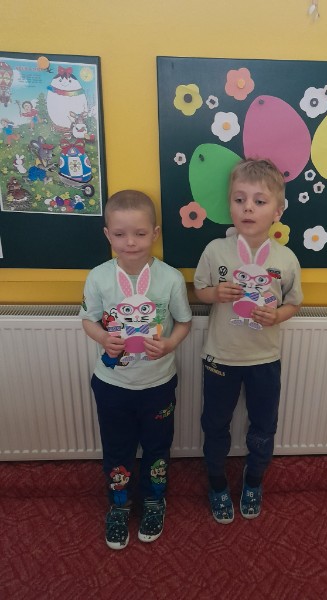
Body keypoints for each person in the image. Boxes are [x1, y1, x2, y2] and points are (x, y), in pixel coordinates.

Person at [80, 190, 192, 549]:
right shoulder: (98, 277)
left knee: (158, 448)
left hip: (158, 384)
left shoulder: (169, 278)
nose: (130, 242)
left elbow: (184, 323)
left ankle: (154, 500)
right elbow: (88, 320)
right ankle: (119, 504)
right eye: (120, 234)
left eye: (140, 233)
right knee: (117, 449)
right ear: (107, 234)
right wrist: (103, 338)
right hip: (112, 385)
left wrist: (170, 344)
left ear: (155, 234)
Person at [194, 158, 303, 524]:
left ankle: (254, 480)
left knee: (263, 426)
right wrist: (215, 293)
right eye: (239, 200)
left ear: (278, 211)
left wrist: (277, 316)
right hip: (220, 358)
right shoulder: (216, 250)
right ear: (230, 205)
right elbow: (199, 291)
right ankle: (216, 483)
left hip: (264, 359)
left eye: (259, 201)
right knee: (214, 425)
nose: (248, 208)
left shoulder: (285, 258)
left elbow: (293, 303)